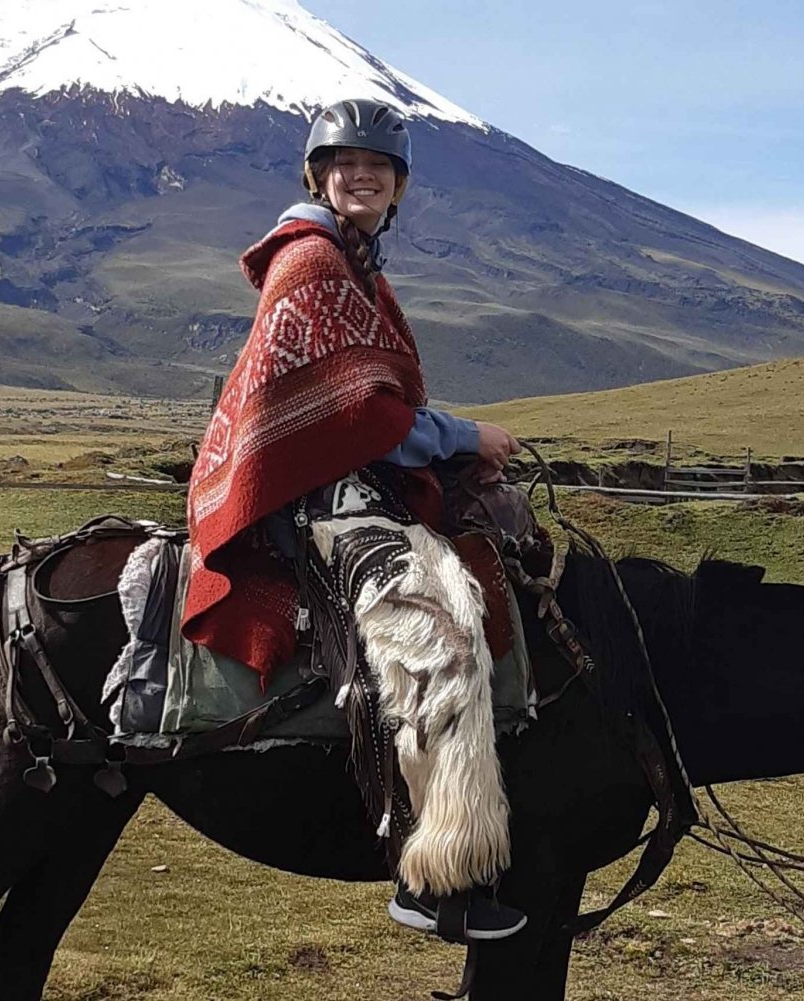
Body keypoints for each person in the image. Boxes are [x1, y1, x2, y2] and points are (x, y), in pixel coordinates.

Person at [182, 99, 526, 939]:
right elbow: (351, 418)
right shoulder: (312, 265)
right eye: (345, 163)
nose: (362, 174)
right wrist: (463, 435)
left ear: (398, 186)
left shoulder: (356, 265)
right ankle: (431, 872)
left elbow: (369, 407)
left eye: (379, 165)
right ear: (319, 176)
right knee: (436, 633)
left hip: (348, 483)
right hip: (309, 496)